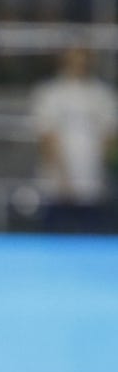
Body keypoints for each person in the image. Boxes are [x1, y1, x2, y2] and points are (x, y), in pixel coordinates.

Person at [30, 44, 118, 234]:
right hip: (57, 184)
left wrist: (101, 170)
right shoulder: (50, 94)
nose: (79, 63)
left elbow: (108, 137)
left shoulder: (102, 95)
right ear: (64, 60)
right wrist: (62, 176)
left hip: (92, 182)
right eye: (74, 58)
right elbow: (47, 136)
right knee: (54, 240)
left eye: (83, 58)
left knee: (92, 239)